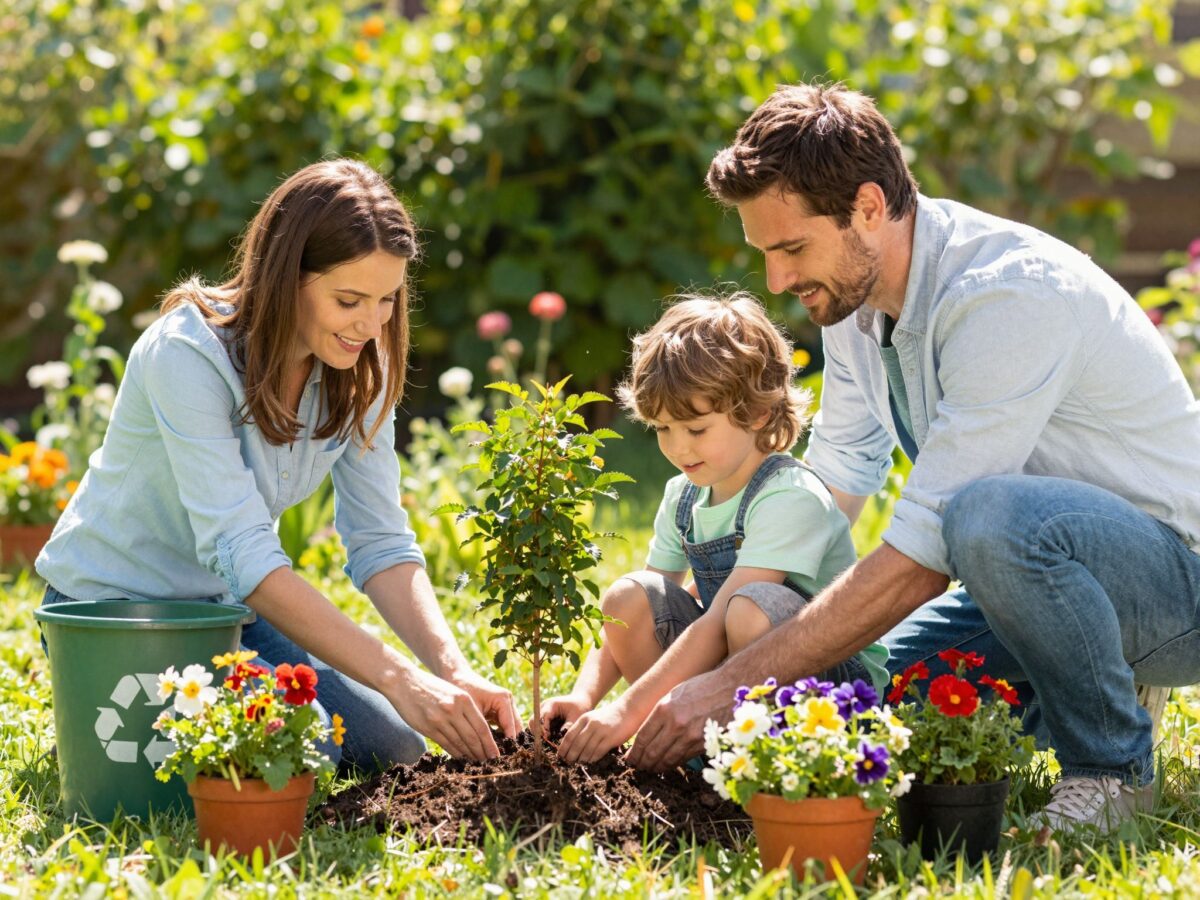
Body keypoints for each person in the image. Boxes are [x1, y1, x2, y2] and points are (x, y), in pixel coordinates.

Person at [624, 82, 1200, 833]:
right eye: (765, 253)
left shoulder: (1006, 297)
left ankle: (1111, 769)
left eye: (792, 248)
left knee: (987, 512)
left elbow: (927, 551)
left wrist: (733, 682)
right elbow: (831, 488)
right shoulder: (853, 303)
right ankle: (1076, 680)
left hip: (1172, 584)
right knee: (862, 705)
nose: (778, 282)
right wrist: (747, 623)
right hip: (1017, 583)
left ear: (869, 207)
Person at [36, 159, 519, 768]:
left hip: (220, 614)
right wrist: (399, 678)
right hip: (115, 612)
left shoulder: (360, 369)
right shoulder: (187, 354)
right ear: (287, 276)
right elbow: (244, 554)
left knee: (393, 748)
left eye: (387, 300)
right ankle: (99, 719)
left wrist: (451, 674)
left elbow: (381, 543)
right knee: (302, 740)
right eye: (349, 300)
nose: (371, 326)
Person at [539, 292, 889, 764]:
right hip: (733, 675)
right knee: (629, 598)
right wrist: (586, 697)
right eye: (662, 429)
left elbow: (720, 624)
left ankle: (773, 766)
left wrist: (624, 712)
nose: (679, 448)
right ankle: (689, 762)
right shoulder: (683, 496)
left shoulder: (790, 496)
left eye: (696, 429)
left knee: (746, 610)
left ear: (759, 413)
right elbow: (641, 613)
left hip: (831, 691)